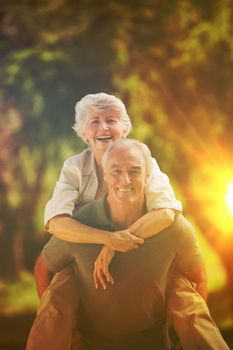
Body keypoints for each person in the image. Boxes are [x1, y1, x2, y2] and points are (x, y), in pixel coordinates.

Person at [28, 139, 229, 350]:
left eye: (134, 171)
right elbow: (44, 269)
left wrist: (184, 340)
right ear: (105, 176)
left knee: (182, 287)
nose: (125, 180)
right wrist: (68, 332)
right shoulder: (78, 225)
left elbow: (197, 279)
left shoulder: (176, 229)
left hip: (155, 346)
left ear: (148, 176)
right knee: (63, 281)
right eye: (116, 171)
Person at [27, 93, 182, 350]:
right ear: (83, 133)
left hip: (140, 241)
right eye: (94, 122)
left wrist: (115, 244)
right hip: (84, 246)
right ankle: (67, 332)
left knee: (180, 283)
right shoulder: (74, 167)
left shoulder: (146, 161)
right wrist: (107, 239)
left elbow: (166, 211)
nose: (103, 128)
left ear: (124, 129)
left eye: (111, 120)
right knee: (48, 272)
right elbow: (56, 221)